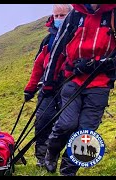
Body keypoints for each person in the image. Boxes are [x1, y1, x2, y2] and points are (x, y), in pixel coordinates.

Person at [42, 4, 116, 176]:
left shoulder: (112, 15)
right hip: (72, 78)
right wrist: (48, 82)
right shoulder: (74, 16)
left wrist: (101, 63)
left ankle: (68, 171)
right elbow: (57, 49)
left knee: (85, 133)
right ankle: (51, 150)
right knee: (67, 123)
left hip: (100, 83)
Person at [23, 4, 73, 168]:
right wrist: (30, 89)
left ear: (70, 15)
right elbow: (38, 67)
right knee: (42, 121)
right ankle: (41, 159)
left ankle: (54, 157)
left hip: (69, 87)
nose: (59, 18)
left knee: (63, 124)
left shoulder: (76, 35)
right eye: (56, 15)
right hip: (46, 87)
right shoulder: (48, 40)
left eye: (62, 15)